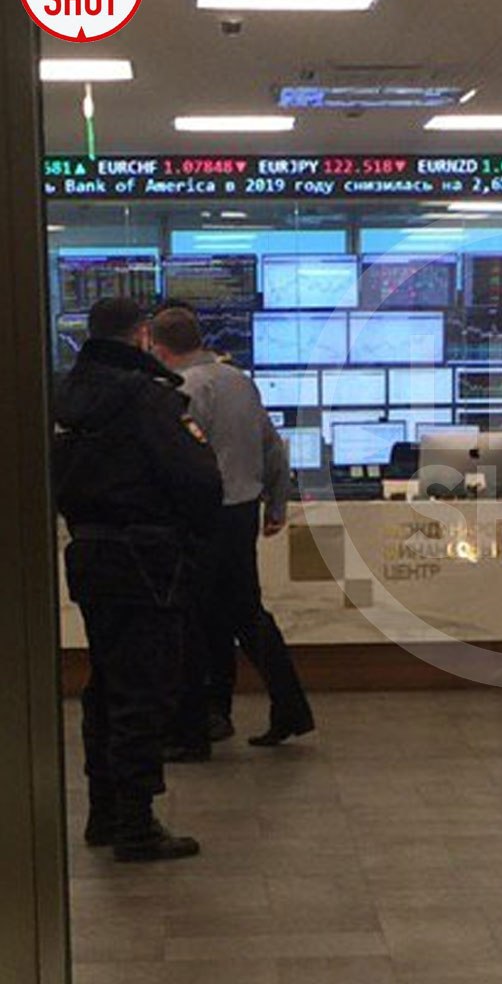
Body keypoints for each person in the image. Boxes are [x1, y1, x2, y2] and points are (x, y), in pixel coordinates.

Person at [53, 297, 223, 861]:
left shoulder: (64, 395)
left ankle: (104, 810)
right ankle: (135, 822)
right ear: (142, 335)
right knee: (143, 690)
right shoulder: (146, 398)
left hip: (89, 552)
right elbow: (199, 482)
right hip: (148, 560)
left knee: (105, 685)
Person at [150, 307, 315, 748]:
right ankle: (282, 707)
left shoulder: (183, 389)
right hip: (241, 513)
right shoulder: (239, 380)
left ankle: (201, 724)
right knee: (240, 613)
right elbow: (272, 446)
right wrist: (276, 504)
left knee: (197, 619)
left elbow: (182, 462)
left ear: (158, 348)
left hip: (203, 517)